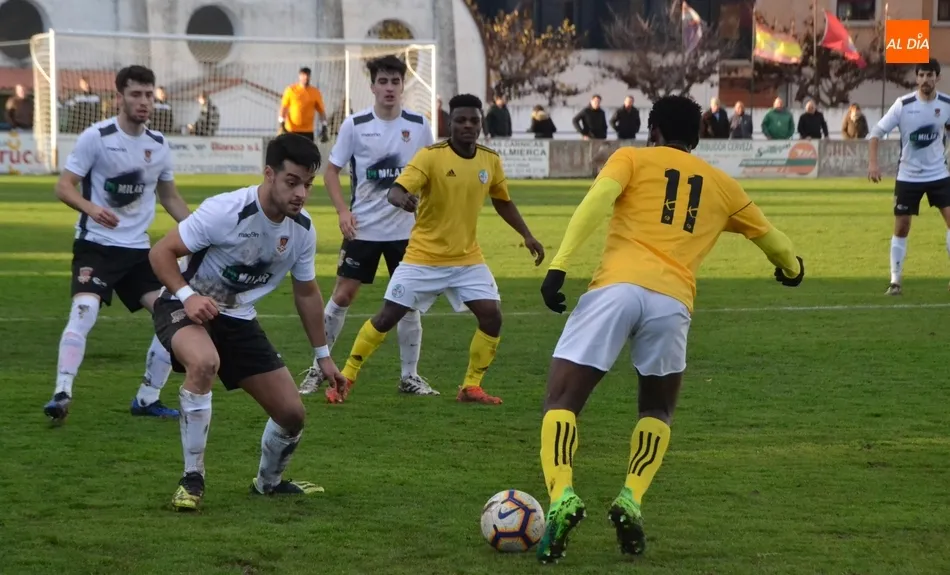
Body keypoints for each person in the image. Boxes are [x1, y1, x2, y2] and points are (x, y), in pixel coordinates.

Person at [534, 95, 805, 563]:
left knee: (562, 401)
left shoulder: (632, 158)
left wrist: (559, 265)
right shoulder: (723, 186)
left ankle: (562, 497)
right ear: (697, 137)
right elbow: (775, 242)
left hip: (615, 290)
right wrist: (792, 268)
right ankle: (630, 498)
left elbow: (597, 201)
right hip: (672, 302)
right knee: (656, 409)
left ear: (653, 129)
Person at [148, 133, 346, 511]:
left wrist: (323, 356)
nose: (301, 193)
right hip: (182, 303)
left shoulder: (302, 230)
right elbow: (161, 253)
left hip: (238, 318)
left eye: (308, 184)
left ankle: (267, 484)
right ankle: (193, 478)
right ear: (269, 174)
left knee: (292, 414)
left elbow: (306, 292)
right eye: (292, 182)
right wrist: (189, 297)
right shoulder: (225, 210)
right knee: (204, 362)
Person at [329, 94, 545, 405]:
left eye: (473, 120)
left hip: (467, 259)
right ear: (450, 123)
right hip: (423, 258)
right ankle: (346, 377)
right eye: (460, 120)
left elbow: (502, 200)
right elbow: (396, 190)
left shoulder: (490, 160)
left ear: (481, 122)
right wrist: (402, 199)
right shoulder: (430, 157)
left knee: (492, 316)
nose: (467, 125)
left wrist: (527, 234)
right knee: (387, 317)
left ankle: (471, 387)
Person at [44, 65, 191, 423]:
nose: (144, 102)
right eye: (136, 94)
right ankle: (62, 392)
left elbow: (169, 197)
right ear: (119, 97)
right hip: (95, 244)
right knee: (85, 311)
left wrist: (201, 229)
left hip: (139, 252)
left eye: (148, 94)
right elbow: (64, 186)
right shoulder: (97, 137)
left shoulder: (157, 145)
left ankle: (147, 398)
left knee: (173, 315)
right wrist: (91, 208)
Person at [297, 55, 436, 398]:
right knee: (343, 295)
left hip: (406, 232)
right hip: (364, 229)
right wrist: (343, 212)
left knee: (408, 302)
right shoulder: (355, 124)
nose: (389, 88)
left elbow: (431, 172)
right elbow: (331, 171)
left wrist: (420, 200)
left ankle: (409, 376)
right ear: (372, 86)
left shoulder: (419, 125)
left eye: (395, 82)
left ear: (404, 86)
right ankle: (318, 369)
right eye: (383, 82)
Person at [868, 58, 950, 295]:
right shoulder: (903, 104)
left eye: (930, 75)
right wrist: (873, 163)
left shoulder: (946, 104)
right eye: (922, 75)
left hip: (939, 175)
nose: (926, 79)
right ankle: (895, 281)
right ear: (916, 78)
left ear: (937, 78)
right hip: (908, 176)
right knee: (902, 227)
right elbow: (876, 133)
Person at [279, 67, 329, 143]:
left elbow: (321, 111)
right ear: (299, 76)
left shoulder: (315, 92)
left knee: (307, 154)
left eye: (307, 75)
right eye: (303, 75)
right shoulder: (291, 90)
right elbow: (284, 108)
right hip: (292, 130)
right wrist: (281, 124)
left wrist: (324, 126)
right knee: (291, 154)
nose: (306, 77)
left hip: (308, 131)